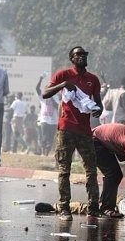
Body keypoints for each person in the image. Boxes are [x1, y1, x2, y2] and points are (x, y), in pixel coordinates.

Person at [43, 46, 102, 220]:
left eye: (84, 54)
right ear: (72, 58)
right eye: (79, 55)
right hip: (66, 129)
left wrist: (98, 109)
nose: (82, 57)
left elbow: (98, 102)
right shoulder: (63, 75)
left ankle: (93, 207)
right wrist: (63, 85)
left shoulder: (93, 79)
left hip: (84, 130)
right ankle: (64, 208)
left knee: (91, 170)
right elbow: (45, 93)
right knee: (64, 170)